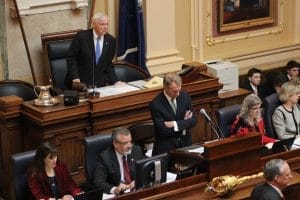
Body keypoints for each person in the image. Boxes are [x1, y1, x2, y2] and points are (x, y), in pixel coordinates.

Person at [65, 12, 120, 89]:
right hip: (80, 83)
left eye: (107, 24)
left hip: (100, 85)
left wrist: (115, 81)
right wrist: (75, 78)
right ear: (93, 24)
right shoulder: (81, 37)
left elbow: (108, 64)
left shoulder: (111, 40)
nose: (105, 27)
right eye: (102, 24)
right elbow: (71, 58)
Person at [149, 73, 197, 155]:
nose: (178, 94)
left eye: (179, 89)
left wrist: (174, 124)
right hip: (166, 149)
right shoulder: (155, 104)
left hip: (185, 145)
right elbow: (162, 131)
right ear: (165, 87)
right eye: (175, 91)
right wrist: (184, 123)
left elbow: (194, 120)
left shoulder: (184, 96)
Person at [94, 127, 144, 195]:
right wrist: (115, 189)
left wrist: (138, 181)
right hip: (118, 194)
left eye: (130, 141)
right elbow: (98, 182)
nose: (129, 146)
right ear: (115, 144)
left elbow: (145, 168)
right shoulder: (105, 157)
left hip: (135, 191)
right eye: (125, 143)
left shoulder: (136, 150)